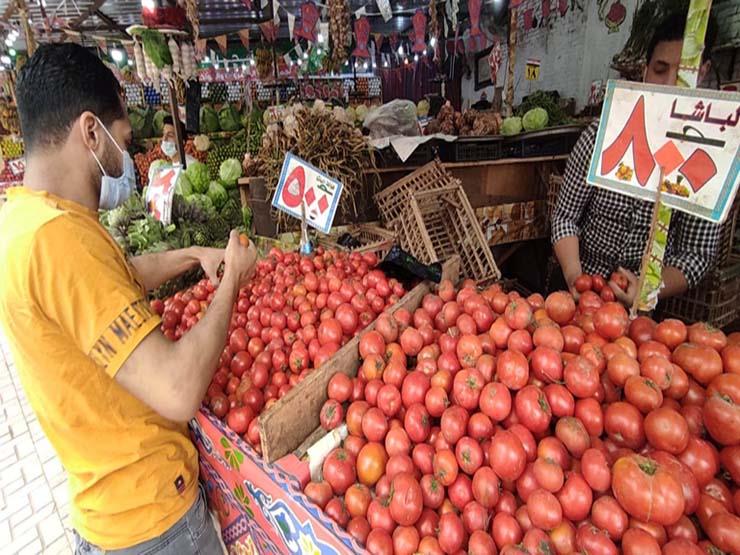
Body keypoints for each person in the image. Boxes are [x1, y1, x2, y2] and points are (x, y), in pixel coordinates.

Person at [0, 44, 257, 554]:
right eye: (121, 139)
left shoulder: (25, 221)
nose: (125, 155)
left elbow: (114, 279)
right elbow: (179, 390)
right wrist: (232, 282)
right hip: (150, 520)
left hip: (106, 509)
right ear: (90, 130)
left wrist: (191, 254)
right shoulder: (60, 243)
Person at [551, 11, 721, 306]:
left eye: (683, 74)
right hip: (577, 291)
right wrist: (575, 276)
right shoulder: (601, 136)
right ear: (645, 70)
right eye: (660, 69)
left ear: (703, 73)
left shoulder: (708, 159)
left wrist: (647, 287)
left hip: (640, 311)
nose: (668, 84)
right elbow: (566, 216)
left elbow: (697, 254)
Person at [149, 115, 196, 184]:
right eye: (163, 134)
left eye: (170, 135)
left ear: (182, 142)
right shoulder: (168, 167)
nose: (164, 139)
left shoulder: (191, 166)